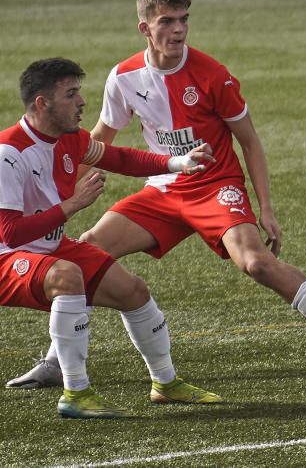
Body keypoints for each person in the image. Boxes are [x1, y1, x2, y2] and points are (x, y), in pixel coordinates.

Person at [7, 0, 306, 390]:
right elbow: (100, 142)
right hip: (163, 190)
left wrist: (266, 208)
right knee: (87, 249)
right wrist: (59, 192)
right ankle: (56, 362)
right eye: (166, 21)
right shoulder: (124, 77)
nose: (179, 30)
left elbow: (250, 142)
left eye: (184, 19)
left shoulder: (212, 75)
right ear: (145, 28)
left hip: (215, 186)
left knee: (256, 263)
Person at [0, 58, 222, 418]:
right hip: (8, 258)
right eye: (70, 94)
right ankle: (76, 393)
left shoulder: (70, 139)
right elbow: (9, 232)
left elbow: (119, 158)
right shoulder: (8, 153)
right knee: (68, 275)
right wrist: (72, 205)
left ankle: (165, 384)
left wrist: (176, 163)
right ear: (42, 103)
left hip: (50, 247)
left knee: (133, 291)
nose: (82, 102)